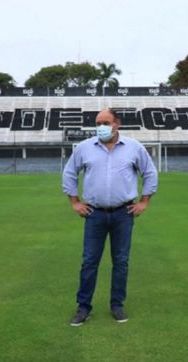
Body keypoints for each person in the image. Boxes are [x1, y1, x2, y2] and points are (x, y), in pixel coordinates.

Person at [62, 107, 158, 326]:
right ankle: (83, 307)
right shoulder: (85, 148)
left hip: (123, 214)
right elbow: (69, 173)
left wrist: (144, 201)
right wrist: (75, 201)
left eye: (105, 123)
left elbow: (150, 173)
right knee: (89, 262)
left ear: (117, 124)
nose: (101, 127)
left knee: (121, 261)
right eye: (98, 123)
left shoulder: (134, 148)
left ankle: (117, 305)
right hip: (94, 214)